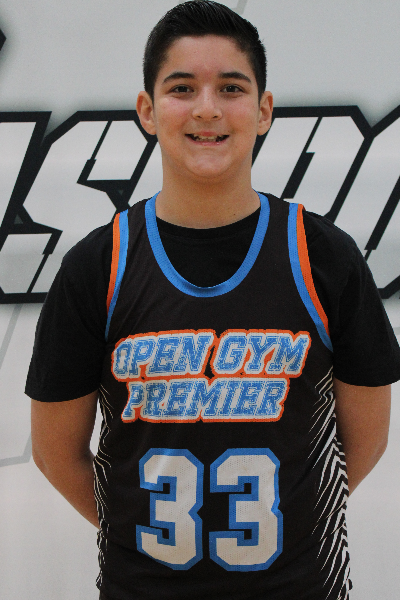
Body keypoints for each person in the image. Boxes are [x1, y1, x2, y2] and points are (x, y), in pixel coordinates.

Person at [26, 2, 400, 599]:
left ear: (263, 109)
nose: (207, 108)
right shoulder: (97, 267)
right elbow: (55, 452)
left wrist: (290, 520)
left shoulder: (324, 256)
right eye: (182, 88)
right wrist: (140, 531)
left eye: (231, 87)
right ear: (148, 110)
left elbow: (368, 438)